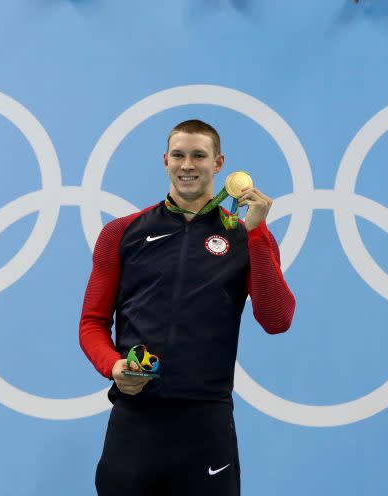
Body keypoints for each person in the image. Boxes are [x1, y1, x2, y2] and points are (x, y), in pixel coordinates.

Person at [79, 119, 296, 495]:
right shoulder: (121, 232)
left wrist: (257, 232)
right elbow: (92, 323)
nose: (187, 165)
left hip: (206, 424)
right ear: (165, 160)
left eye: (199, 155)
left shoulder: (245, 237)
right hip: (135, 421)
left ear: (219, 163)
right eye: (178, 155)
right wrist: (113, 366)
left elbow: (277, 319)